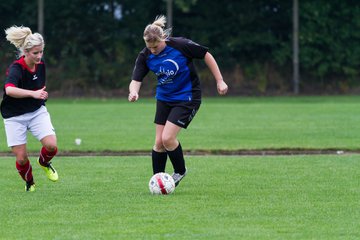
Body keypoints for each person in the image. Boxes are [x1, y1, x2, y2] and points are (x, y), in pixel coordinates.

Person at [128, 16, 228, 187]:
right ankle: (159, 182)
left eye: (156, 46)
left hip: (187, 98)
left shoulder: (181, 45)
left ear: (163, 39)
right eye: (149, 47)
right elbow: (136, 79)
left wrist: (220, 80)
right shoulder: (145, 55)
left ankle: (180, 171)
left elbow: (206, 55)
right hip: (164, 99)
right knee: (159, 143)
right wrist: (133, 92)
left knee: (168, 138)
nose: (153, 50)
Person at [1, 26, 59, 192]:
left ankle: (44, 163)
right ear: (25, 52)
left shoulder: (40, 65)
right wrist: (34, 94)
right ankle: (30, 182)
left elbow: (37, 88)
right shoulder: (16, 68)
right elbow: (9, 90)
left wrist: (40, 95)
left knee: (51, 146)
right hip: (14, 116)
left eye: (41, 52)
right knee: (21, 159)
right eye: (35, 53)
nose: (39, 56)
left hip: (36, 112)